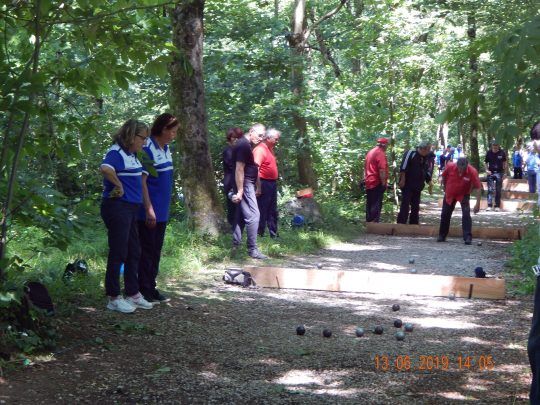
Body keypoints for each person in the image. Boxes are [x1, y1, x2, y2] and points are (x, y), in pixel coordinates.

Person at [100, 119, 154, 313]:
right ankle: (113, 297)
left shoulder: (132, 155)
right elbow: (106, 168)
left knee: (134, 250)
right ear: (131, 135)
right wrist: (119, 185)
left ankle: (133, 293)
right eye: (142, 138)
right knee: (119, 251)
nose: (145, 142)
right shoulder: (116, 152)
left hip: (130, 208)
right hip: (117, 207)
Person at [137, 113, 178, 304]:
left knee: (155, 250)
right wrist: (148, 209)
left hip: (162, 210)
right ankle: (142, 288)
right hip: (149, 210)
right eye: (173, 131)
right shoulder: (148, 149)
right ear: (163, 129)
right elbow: (142, 182)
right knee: (147, 250)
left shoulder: (166, 148)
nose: (174, 135)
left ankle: (151, 286)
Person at [231, 123, 268, 259]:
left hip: (248, 183)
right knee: (254, 215)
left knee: (240, 215)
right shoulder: (243, 145)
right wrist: (240, 191)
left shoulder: (247, 145)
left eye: (263, 137)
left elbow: (250, 167)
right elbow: (239, 168)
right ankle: (252, 250)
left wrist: (257, 185)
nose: (261, 139)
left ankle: (235, 247)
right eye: (259, 135)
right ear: (251, 131)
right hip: (245, 184)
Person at [437, 157, 481, 245]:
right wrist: (445, 187)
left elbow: (478, 188)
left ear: (467, 166)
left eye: (463, 169)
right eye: (459, 169)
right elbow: (443, 176)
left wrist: (477, 204)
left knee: (466, 214)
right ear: (456, 165)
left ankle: (467, 237)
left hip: (464, 194)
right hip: (450, 193)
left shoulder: (472, 171)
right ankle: (442, 235)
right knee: (445, 214)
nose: (461, 171)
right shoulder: (450, 166)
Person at [253, 128, 280, 238]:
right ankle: (259, 234)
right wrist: (258, 187)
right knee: (262, 209)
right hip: (264, 183)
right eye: (276, 139)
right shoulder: (260, 150)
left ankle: (274, 234)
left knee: (272, 209)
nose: (277, 141)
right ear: (268, 138)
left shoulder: (270, 149)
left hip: (272, 183)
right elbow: (255, 169)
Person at [396, 141, 430, 225]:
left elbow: (426, 170)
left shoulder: (425, 157)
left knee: (416, 205)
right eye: (428, 150)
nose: (429, 151)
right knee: (405, 203)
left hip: (418, 185)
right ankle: (401, 222)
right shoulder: (411, 153)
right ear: (422, 149)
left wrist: (429, 180)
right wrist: (402, 180)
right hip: (408, 184)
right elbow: (403, 167)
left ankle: (414, 223)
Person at [222, 127, 244, 227]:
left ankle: (239, 228)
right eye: (233, 137)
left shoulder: (238, 150)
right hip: (231, 182)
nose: (236, 139)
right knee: (232, 207)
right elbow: (233, 167)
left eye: (238, 137)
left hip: (238, 181)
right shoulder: (228, 151)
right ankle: (233, 229)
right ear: (229, 138)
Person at [364, 138, 389, 223]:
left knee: (370, 203)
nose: (387, 147)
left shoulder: (370, 152)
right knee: (376, 204)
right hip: (376, 182)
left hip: (369, 181)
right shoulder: (380, 153)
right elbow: (382, 170)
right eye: (387, 145)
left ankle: (369, 223)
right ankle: (374, 224)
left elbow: (366, 167)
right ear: (384, 145)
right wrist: (383, 183)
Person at [484, 140, 507, 211]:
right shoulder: (489, 153)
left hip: (499, 173)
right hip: (490, 173)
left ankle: (497, 206)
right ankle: (489, 205)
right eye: (494, 145)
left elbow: (505, 162)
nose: (495, 146)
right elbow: (485, 162)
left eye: (496, 145)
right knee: (490, 189)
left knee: (498, 190)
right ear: (492, 146)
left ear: (498, 146)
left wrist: (505, 173)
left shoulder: (502, 153)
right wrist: (486, 170)